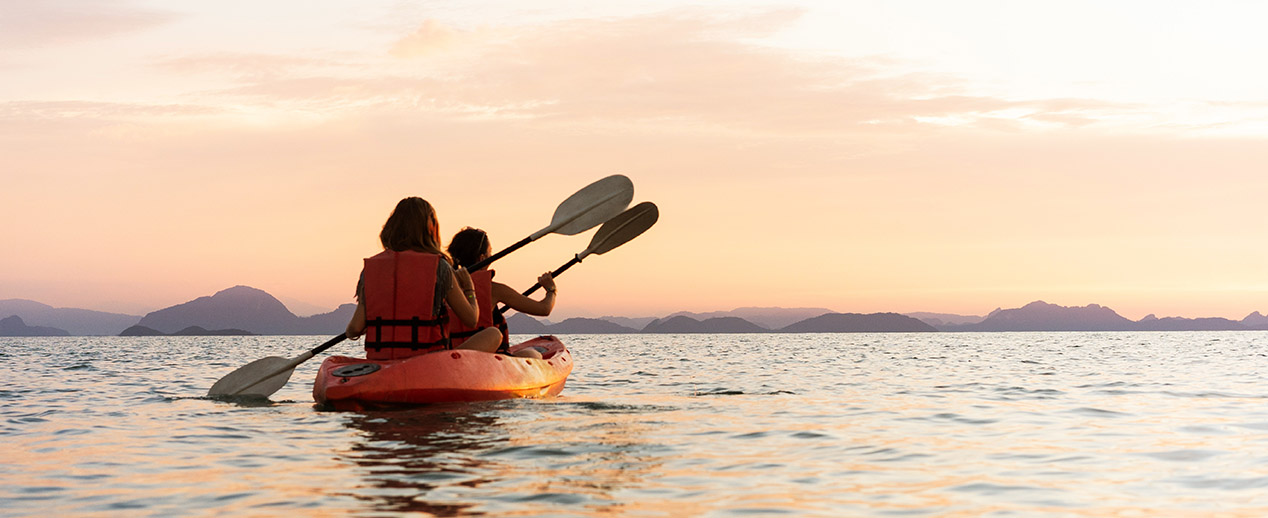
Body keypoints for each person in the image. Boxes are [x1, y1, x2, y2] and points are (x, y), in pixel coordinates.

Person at [345, 198, 502, 358]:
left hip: (382, 361)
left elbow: (354, 329)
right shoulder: (439, 267)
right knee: (493, 334)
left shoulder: (371, 269)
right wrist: (469, 289)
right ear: (431, 229)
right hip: (429, 361)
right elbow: (471, 319)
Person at [447, 227, 557, 359]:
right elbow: (544, 309)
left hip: (449, 354)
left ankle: (451, 358)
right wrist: (551, 290)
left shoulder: (445, 286)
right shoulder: (495, 290)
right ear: (482, 258)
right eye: (490, 253)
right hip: (484, 360)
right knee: (532, 354)